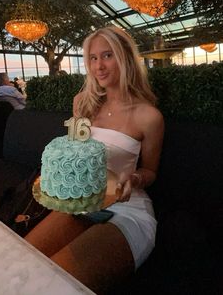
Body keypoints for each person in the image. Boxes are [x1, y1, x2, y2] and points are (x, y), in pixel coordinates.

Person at [25, 26, 164, 294]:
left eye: (107, 55)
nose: (98, 66)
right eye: (92, 58)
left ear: (124, 57)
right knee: (23, 258)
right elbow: (76, 156)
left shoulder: (149, 116)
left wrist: (134, 178)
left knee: (55, 285)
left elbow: (150, 171)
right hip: (83, 201)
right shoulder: (85, 104)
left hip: (128, 209)